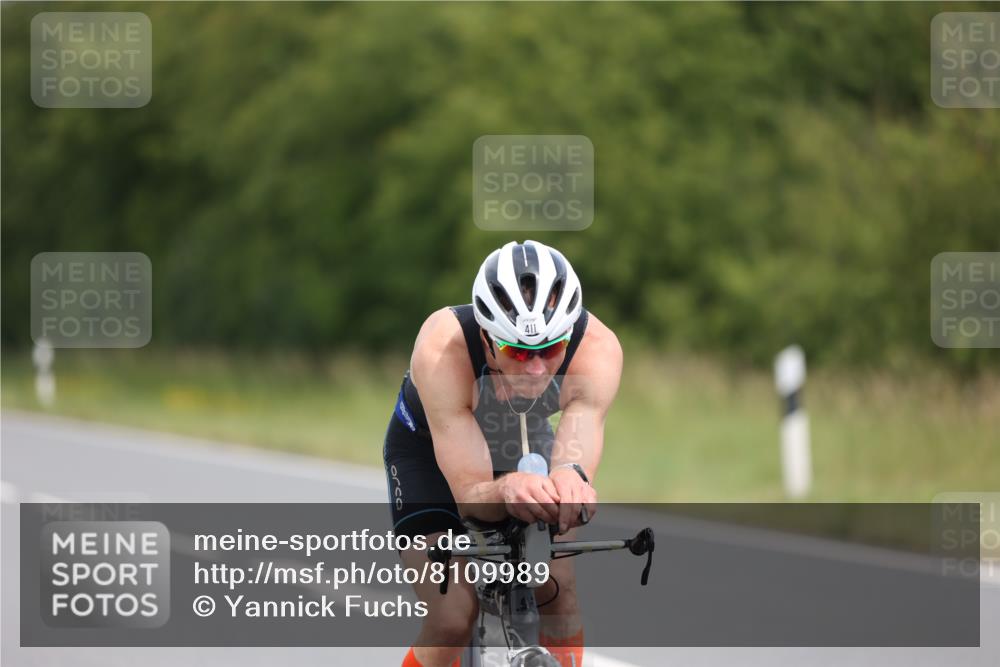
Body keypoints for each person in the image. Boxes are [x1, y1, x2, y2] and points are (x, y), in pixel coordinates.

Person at [384, 240, 623, 667]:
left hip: (525, 438)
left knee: (561, 590)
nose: (536, 369)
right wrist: (509, 487)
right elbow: (469, 494)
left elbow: (575, 451)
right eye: (518, 352)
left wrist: (571, 478)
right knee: (452, 615)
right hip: (429, 452)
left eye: (550, 350)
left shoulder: (599, 349)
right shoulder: (443, 348)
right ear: (486, 339)